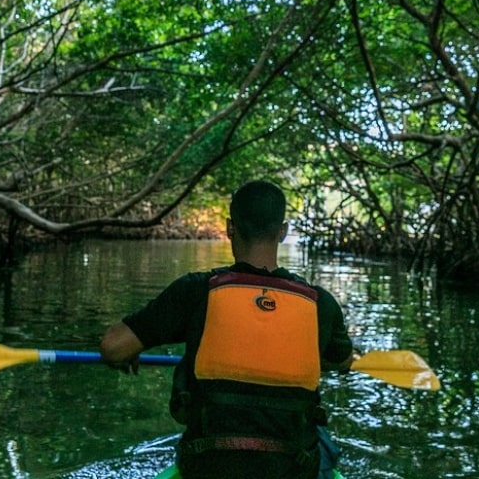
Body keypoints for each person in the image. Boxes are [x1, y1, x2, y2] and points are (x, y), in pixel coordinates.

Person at [99, 180, 354, 479]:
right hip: (291, 467)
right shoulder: (319, 304)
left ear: (230, 228)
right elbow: (342, 361)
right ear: (282, 232)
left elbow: (113, 347)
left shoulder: (195, 291)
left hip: (208, 465)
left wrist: (134, 348)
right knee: (321, 438)